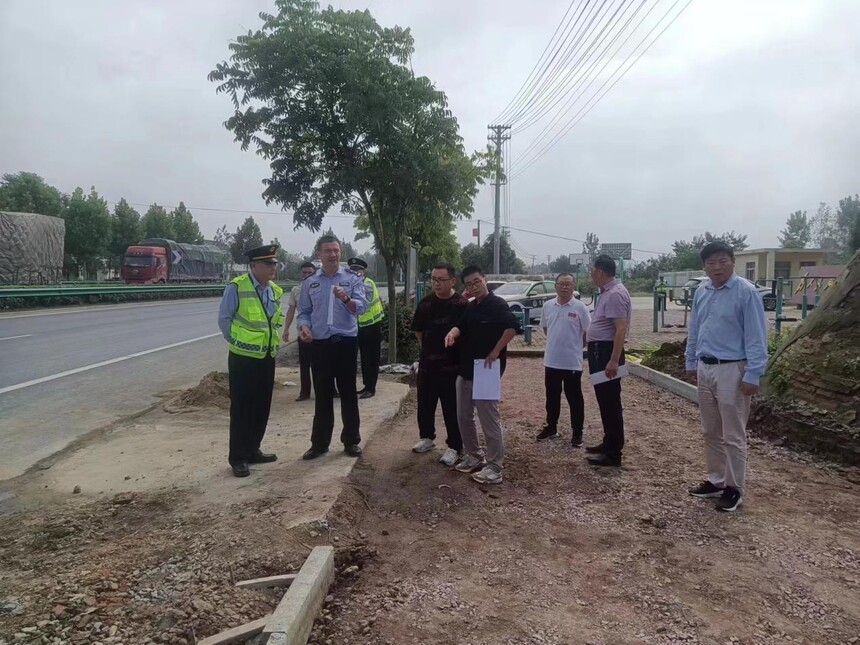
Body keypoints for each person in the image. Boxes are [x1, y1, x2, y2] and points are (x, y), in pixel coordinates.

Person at [685, 241, 767, 513]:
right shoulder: (702, 291)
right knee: (711, 430)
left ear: (733, 262)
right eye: (711, 262)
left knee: (733, 433)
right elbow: (695, 327)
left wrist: (753, 373)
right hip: (706, 367)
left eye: (722, 261)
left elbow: (756, 336)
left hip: (733, 369)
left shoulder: (745, 293)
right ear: (704, 266)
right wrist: (691, 359)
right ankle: (717, 480)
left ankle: (735, 488)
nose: (717, 267)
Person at [445, 265, 519, 485]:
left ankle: (495, 466)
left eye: (477, 281)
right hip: (466, 368)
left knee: (489, 418)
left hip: (486, 369)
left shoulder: (497, 305)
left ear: (484, 279)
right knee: (464, 416)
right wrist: (452, 332)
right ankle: (474, 455)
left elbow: (512, 327)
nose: (474, 287)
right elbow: (462, 326)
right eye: (469, 284)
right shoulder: (471, 307)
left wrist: (496, 351)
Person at [217, 244, 286, 478]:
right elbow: (225, 320)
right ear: (253, 265)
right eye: (268, 264)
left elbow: (273, 322)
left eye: (274, 263)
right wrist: (239, 342)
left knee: (261, 406)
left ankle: (253, 449)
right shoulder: (237, 287)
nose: (272, 268)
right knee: (242, 408)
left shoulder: (275, 291)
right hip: (243, 358)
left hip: (266, 356)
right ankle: (238, 457)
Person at [297, 235, 368, 460]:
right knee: (323, 396)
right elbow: (304, 312)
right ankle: (319, 444)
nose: (333, 254)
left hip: (345, 343)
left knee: (348, 394)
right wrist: (304, 327)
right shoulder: (311, 282)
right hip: (320, 345)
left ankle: (351, 441)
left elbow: (362, 308)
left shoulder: (352, 278)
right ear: (319, 254)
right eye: (328, 251)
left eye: (336, 250)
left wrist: (346, 298)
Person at [411, 262, 469, 466]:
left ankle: (455, 446)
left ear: (452, 280)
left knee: (452, 407)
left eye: (441, 279)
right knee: (425, 403)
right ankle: (427, 437)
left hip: (452, 366)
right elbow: (418, 331)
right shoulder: (425, 303)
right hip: (428, 364)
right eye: (433, 279)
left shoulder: (462, 305)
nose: (436, 283)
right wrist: (428, 350)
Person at [585, 255, 632, 468]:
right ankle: (608, 442)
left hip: (606, 354)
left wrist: (613, 360)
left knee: (610, 402)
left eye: (592, 270)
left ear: (601, 271)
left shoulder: (615, 294)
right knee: (604, 401)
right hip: (599, 352)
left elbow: (620, 329)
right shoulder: (607, 293)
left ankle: (614, 453)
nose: (591, 274)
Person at [536, 272, 592, 447]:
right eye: (561, 284)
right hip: (552, 360)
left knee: (575, 399)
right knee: (551, 397)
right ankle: (551, 426)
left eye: (568, 284)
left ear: (574, 286)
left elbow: (586, 333)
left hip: (572, 362)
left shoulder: (580, 307)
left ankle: (577, 433)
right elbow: (546, 329)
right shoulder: (548, 306)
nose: (564, 287)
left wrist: (575, 347)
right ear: (556, 286)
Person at [348, 257, 385, 399]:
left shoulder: (366, 285)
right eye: (352, 270)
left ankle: (371, 388)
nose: (355, 273)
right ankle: (366, 385)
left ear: (363, 271)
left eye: (358, 270)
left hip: (372, 326)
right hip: (360, 326)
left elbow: (358, 301)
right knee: (363, 359)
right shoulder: (355, 284)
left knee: (371, 359)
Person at [284, 261, 317, 401]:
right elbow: (291, 310)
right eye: (304, 272)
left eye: (310, 272)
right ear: (300, 273)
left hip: (321, 334)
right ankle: (305, 392)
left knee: (323, 364)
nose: (307, 275)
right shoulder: (296, 290)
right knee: (304, 365)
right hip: (303, 333)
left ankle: (329, 390)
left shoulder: (321, 288)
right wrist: (286, 328)